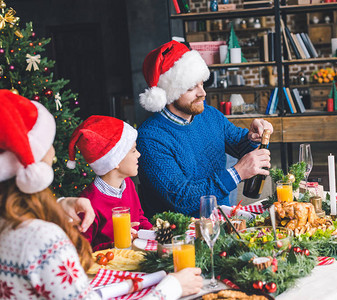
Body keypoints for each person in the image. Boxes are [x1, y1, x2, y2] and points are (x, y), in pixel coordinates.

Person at [0, 90, 202, 300]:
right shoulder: (42, 240)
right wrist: (172, 288)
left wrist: (60, 203)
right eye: (47, 143)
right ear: (31, 168)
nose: (52, 151)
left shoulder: (11, 226)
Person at [136, 40, 273, 217]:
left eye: (201, 84)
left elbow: (238, 143)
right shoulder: (150, 139)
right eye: (192, 87)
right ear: (169, 93)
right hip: (178, 235)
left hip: (223, 221)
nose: (203, 93)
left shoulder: (209, 114)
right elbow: (182, 199)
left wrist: (252, 137)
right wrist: (237, 173)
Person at [67, 115, 153, 251]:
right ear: (115, 161)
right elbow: (82, 250)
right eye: (133, 150)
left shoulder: (128, 184)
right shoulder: (89, 203)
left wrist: (154, 232)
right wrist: (115, 244)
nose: (139, 154)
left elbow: (140, 218)